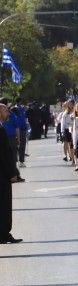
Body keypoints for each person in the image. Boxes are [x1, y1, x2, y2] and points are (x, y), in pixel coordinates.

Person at [0, 100, 21, 244]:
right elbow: (4, 154)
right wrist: (12, 172)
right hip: (2, 173)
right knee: (4, 204)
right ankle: (4, 234)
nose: (8, 112)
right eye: (5, 110)